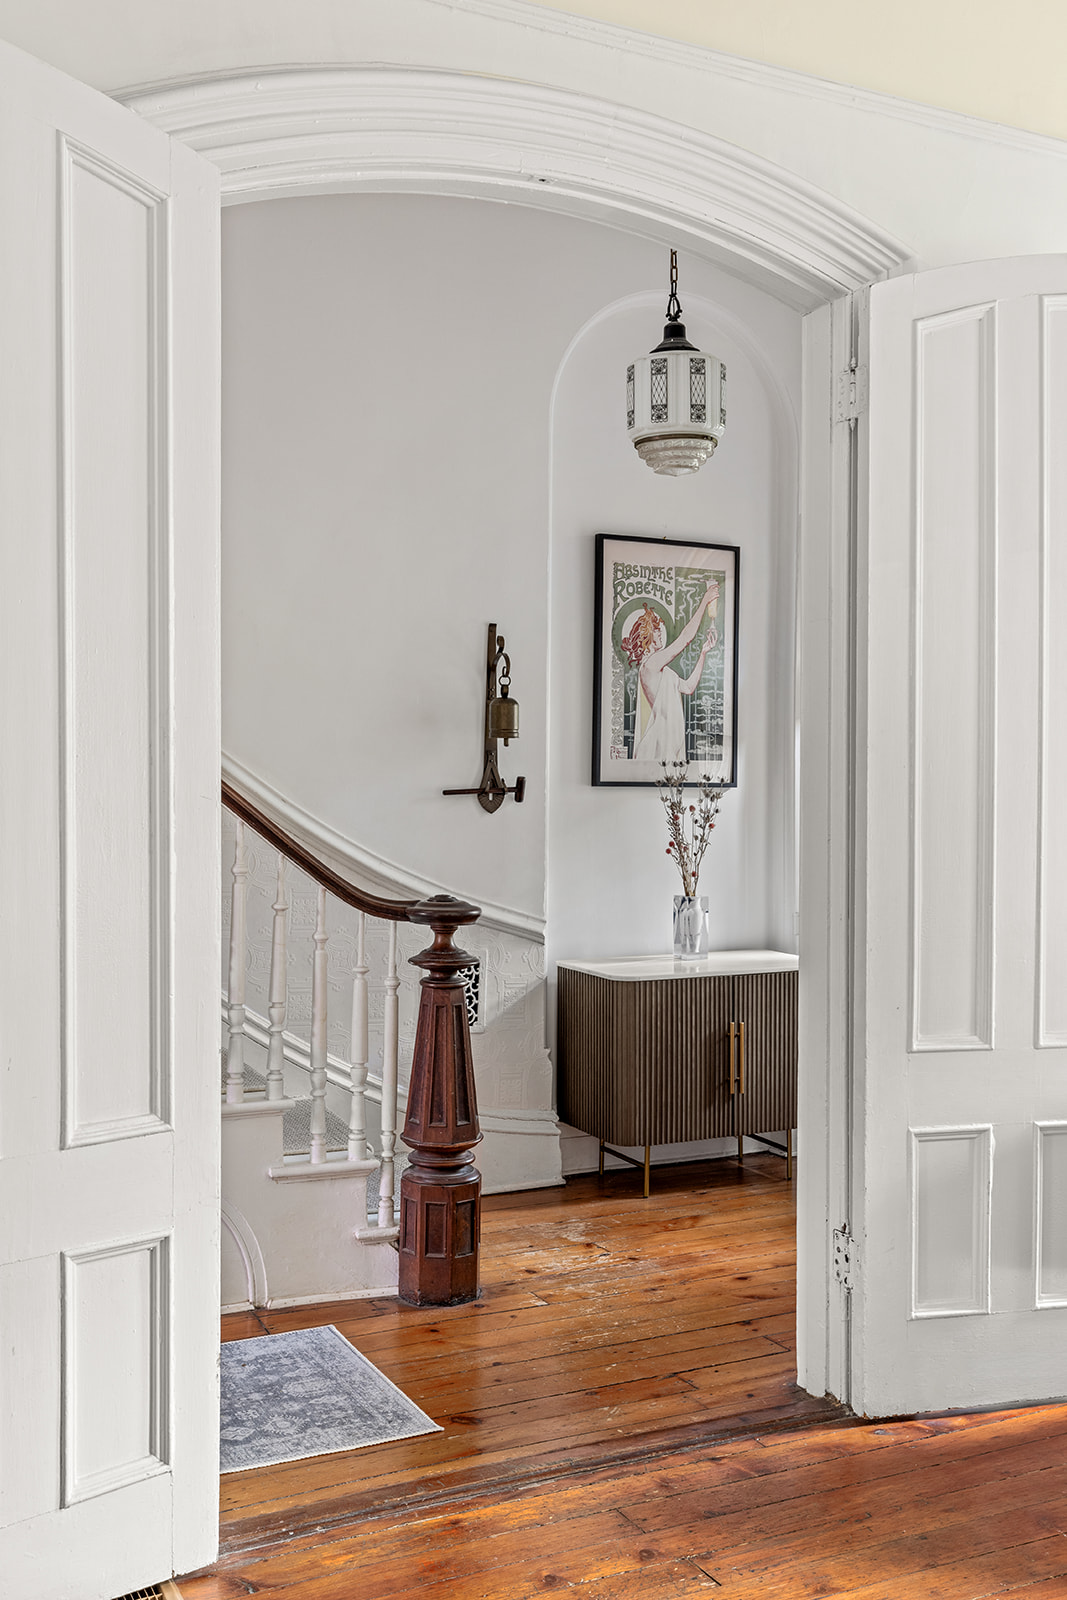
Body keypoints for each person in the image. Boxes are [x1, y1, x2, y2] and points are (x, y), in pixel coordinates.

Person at [623, 577, 719, 763]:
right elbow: (685, 638)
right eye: (657, 629)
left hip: (669, 745)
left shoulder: (663, 670)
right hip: (657, 746)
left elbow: (689, 687)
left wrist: (703, 653)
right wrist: (705, 600)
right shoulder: (650, 665)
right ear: (647, 634)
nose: (660, 633)